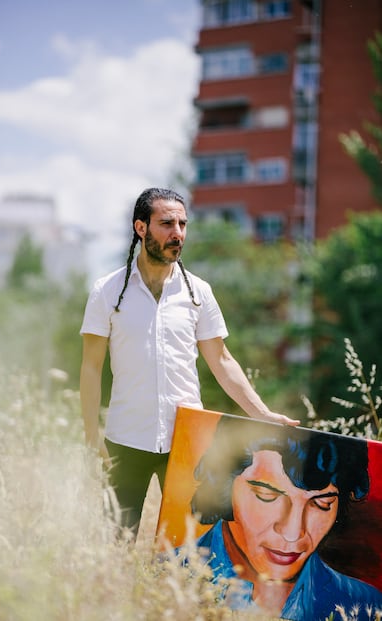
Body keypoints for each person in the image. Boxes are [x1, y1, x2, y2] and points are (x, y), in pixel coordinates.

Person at [79, 187, 299, 533]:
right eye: (167, 223)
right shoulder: (107, 291)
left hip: (188, 442)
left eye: (182, 224)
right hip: (124, 441)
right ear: (141, 228)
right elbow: (91, 368)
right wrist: (92, 435)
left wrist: (262, 414)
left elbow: (222, 360)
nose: (178, 233)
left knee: (188, 552)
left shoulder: (199, 292)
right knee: (115, 548)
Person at [190, 415, 382, 620]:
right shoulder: (164, 572)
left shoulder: (366, 604)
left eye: (321, 504)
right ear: (224, 487)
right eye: (267, 496)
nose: (292, 534)